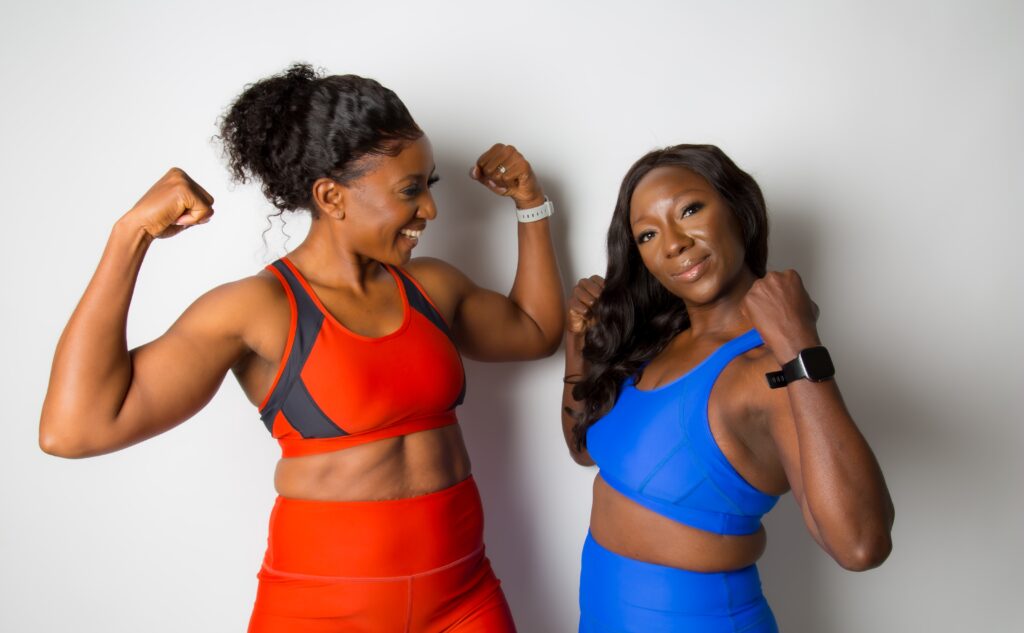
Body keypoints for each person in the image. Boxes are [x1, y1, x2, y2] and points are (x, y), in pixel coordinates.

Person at [39, 63, 564, 632]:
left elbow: (535, 332)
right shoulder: (256, 310)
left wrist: (530, 205)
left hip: (464, 599)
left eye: (429, 185)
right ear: (331, 197)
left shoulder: (431, 286)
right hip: (324, 611)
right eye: (410, 190)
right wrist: (130, 234)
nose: (431, 210)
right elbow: (75, 430)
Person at [561, 144, 894, 632]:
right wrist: (579, 342)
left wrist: (799, 343)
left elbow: (861, 545)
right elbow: (582, 447)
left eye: (690, 210)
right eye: (648, 234)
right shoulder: (654, 340)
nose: (673, 243)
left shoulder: (767, 369)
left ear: (739, 209)